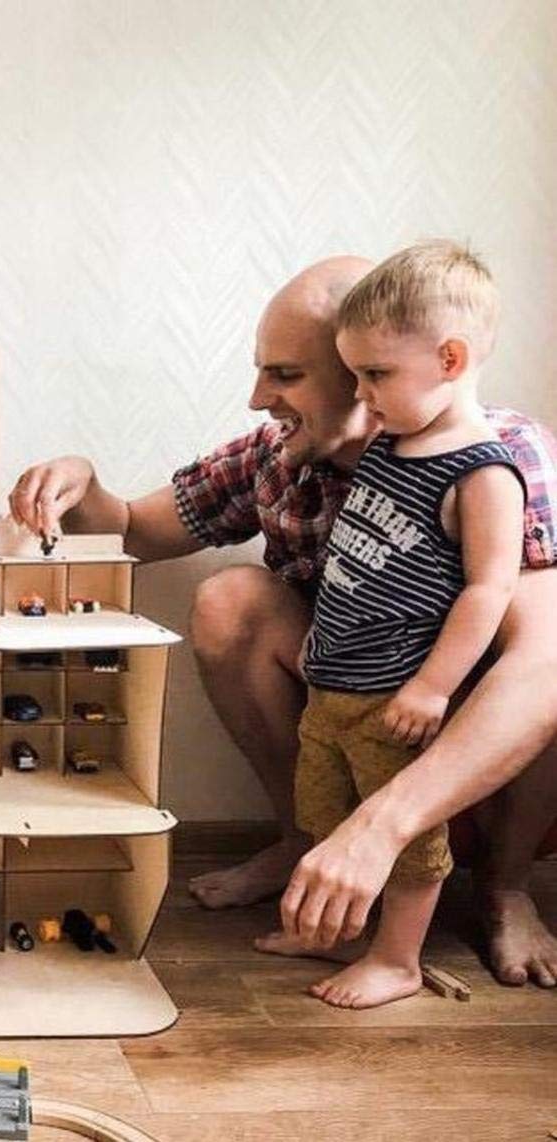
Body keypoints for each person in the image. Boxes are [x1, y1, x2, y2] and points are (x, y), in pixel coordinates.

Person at [9, 255, 557, 988]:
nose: (258, 396)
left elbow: (541, 667)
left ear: (363, 371)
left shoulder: (494, 459)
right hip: (350, 709)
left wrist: (384, 824)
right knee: (230, 600)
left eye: (286, 375)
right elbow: (137, 528)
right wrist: (83, 483)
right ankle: (307, 848)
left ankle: (503, 885)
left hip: (457, 724)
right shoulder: (280, 455)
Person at [254, 242, 524, 1008]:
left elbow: (488, 589)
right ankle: (327, 926)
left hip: (393, 699)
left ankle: (398, 959)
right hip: (331, 689)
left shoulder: (482, 471)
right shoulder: (389, 443)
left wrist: (435, 688)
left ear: (450, 357)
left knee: (405, 842)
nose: (363, 394)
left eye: (377, 375)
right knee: (323, 812)